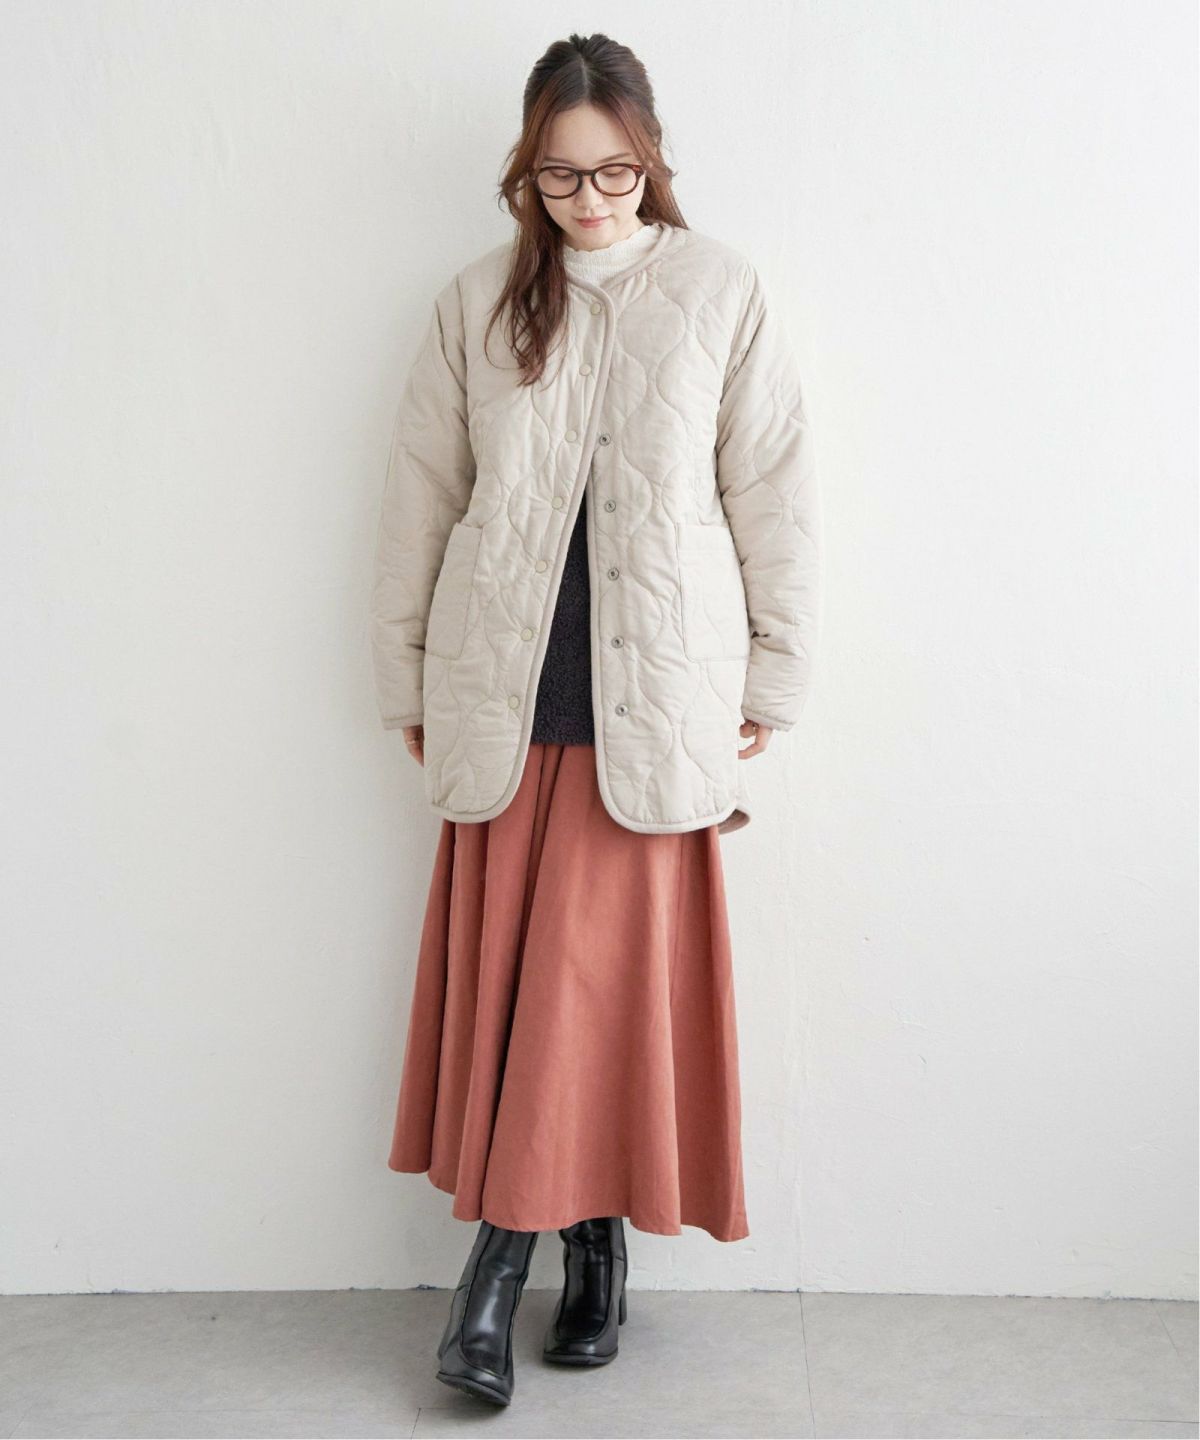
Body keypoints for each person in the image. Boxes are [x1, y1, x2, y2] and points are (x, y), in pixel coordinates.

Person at [369, 31, 822, 1408]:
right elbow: (422, 495)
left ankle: (511, 1273)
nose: (588, 200)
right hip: (507, 691)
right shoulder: (479, 301)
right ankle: (582, 1256)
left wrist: (775, 675)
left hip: (656, 694)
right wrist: (405, 677)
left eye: (614, 171)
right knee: (533, 998)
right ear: (527, 170)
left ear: (653, 158)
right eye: (559, 176)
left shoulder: (719, 289)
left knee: (595, 1000)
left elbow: (771, 487)